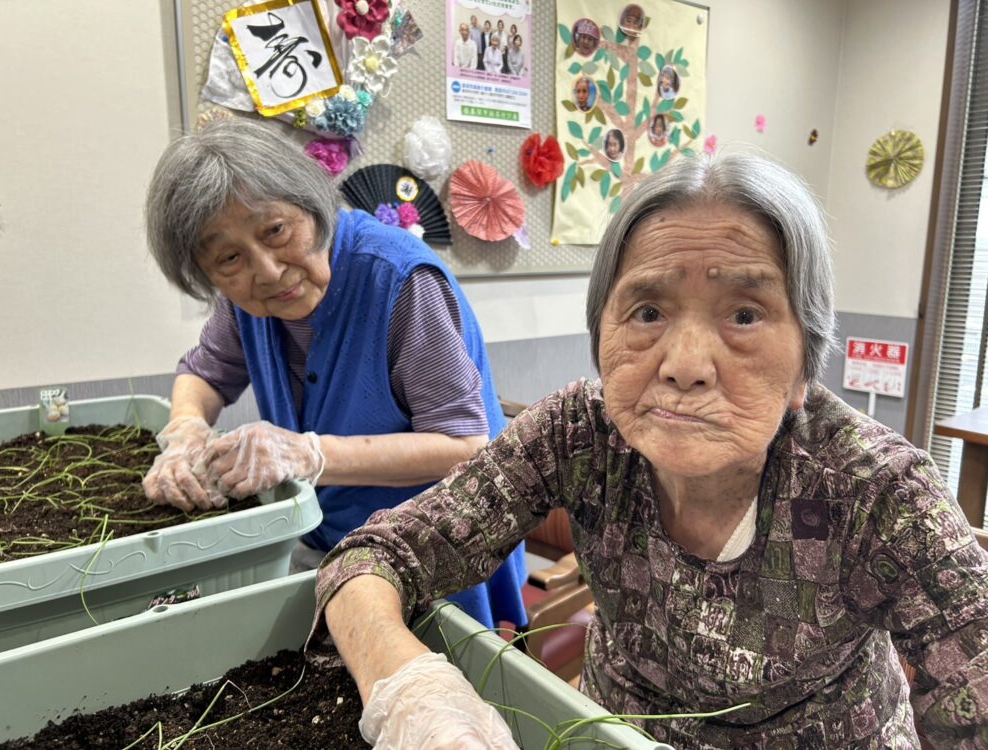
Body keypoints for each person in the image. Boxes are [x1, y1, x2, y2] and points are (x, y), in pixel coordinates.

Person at [308, 152, 988, 748]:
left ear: (805, 362)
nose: (685, 364)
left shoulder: (879, 491)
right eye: (648, 312)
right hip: (612, 734)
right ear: (601, 332)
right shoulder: (580, 432)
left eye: (744, 315)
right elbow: (370, 558)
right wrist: (410, 691)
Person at [142, 117, 528, 633]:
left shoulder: (398, 278)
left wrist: (308, 454)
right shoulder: (244, 303)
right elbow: (205, 375)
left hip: (433, 543)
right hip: (332, 537)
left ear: (312, 204)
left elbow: (463, 444)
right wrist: (185, 429)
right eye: (229, 258)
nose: (268, 271)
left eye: (276, 230)